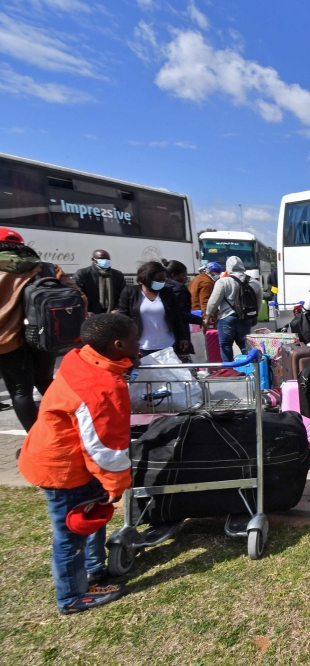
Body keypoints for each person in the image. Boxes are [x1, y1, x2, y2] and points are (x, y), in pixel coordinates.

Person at [18, 313, 140, 614]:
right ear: (118, 344)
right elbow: (103, 446)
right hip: (61, 467)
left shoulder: (83, 360)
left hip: (72, 461)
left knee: (90, 516)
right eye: (135, 339)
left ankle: (94, 569)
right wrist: (116, 484)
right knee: (70, 534)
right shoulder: (99, 387)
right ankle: (72, 597)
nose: (139, 344)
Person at [0, 228, 82, 428]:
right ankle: (76, 425)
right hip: (44, 337)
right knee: (46, 381)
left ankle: (37, 441)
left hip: (7, 341)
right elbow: (79, 297)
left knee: (21, 392)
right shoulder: (46, 267)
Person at [117, 261, 192, 356]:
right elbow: (123, 318)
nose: (161, 283)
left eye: (163, 280)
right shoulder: (130, 292)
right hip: (142, 346)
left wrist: (183, 337)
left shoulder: (167, 292)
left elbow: (177, 316)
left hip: (167, 345)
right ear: (146, 278)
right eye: (158, 280)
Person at [204, 257, 263, 362]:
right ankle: (252, 369)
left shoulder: (223, 282)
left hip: (227, 318)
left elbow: (214, 301)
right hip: (246, 318)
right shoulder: (254, 282)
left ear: (228, 267)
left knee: (226, 345)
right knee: (245, 345)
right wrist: (255, 316)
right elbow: (258, 302)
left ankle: (230, 370)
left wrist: (208, 315)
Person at [72, 249, 126, 316]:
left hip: (112, 313)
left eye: (107, 259)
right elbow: (77, 293)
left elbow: (123, 293)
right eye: (102, 258)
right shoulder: (83, 274)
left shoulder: (117, 274)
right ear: (93, 259)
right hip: (91, 313)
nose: (105, 261)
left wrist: (118, 308)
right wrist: (85, 310)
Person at [164, 260, 202, 327]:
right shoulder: (179, 289)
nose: (186, 278)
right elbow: (179, 313)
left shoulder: (162, 286)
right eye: (184, 275)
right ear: (174, 275)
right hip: (179, 329)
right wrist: (199, 320)